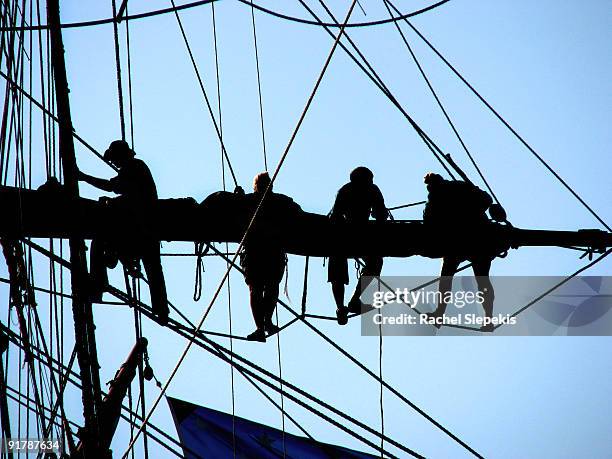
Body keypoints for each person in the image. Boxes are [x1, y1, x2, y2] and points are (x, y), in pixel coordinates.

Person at [77, 140, 169, 325]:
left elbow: (116, 188)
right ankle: (161, 310)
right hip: (146, 228)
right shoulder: (135, 167)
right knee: (153, 269)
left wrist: (84, 177)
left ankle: (97, 286)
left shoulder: (133, 167)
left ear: (121, 156)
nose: (114, 163)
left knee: (99, 241)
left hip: (138, 229)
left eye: (115, 159)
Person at [422, 172, 495, 332]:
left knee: (448, 277)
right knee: (481, 279)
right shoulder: (458, 188)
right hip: (475, 239)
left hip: (466, 240)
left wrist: (468, 215)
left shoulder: (444, 194)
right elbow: (486, 199)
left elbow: (428, 224)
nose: (429, 190)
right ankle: (488, 319)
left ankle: (440, 314)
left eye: (430, 187)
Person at [241, 172, 299, 342]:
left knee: (259, 289)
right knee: (266, 288)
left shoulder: (249, 202)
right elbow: (298, 213)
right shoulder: (282, 202)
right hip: (268, 252)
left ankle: (262, 325)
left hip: (259, 253)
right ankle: (265, 323)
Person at [328, 167, 388, 325]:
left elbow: (336, 216)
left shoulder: (347, 190)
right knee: (374, 262)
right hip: (355, 234)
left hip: (347, 234)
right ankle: (349, 303)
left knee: (339, 264)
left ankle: (344, 306)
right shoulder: (368, 190)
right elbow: (381, 214)